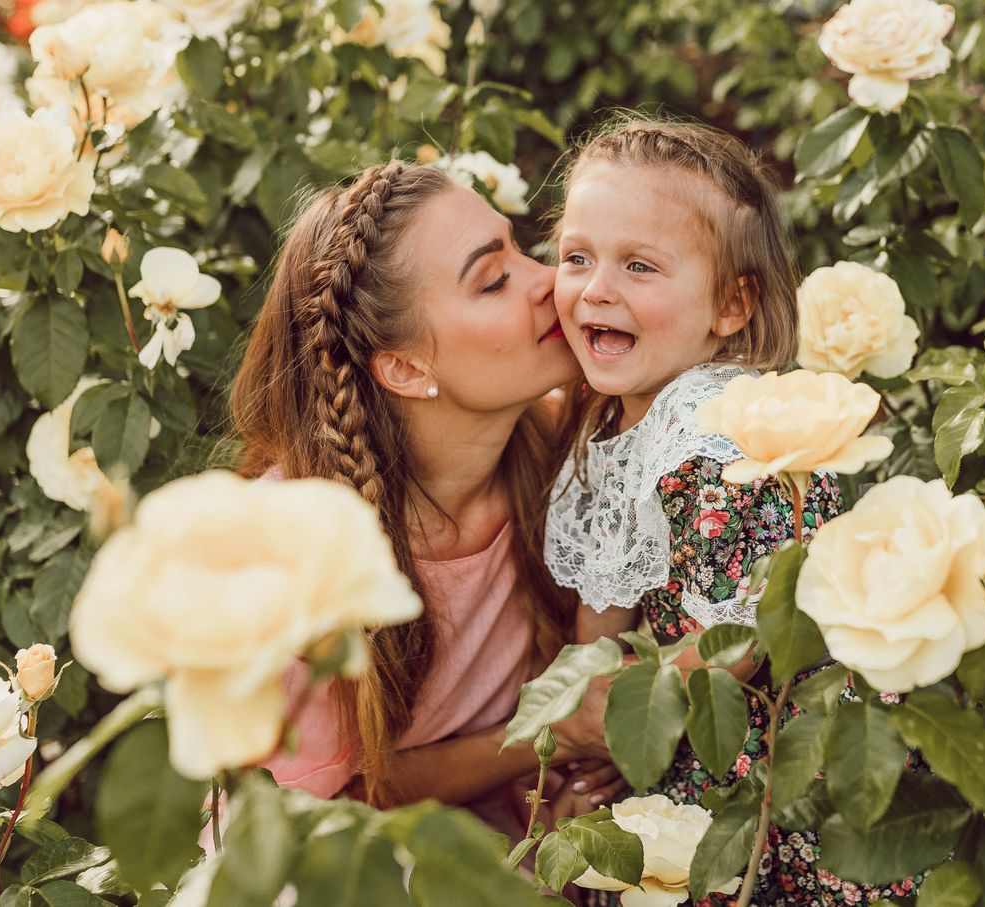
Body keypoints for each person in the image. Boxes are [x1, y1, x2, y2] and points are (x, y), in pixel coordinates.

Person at [544, 118, 918, 905]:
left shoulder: (718, 436)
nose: (596, 288)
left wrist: (623, 730)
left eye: (639, 266)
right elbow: (601, 618)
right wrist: (592, 751)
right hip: (682, 714)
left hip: (770, 745)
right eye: (577, 257)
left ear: (730, 304)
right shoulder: (613, 418)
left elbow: (746, 641)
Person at [229, 161, 621, 825]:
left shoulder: (571, 441)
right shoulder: (294, 548)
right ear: (408, 370)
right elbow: (321, 808)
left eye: (521, 249)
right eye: (494, 280)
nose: (549, 282)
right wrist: (555, 729)